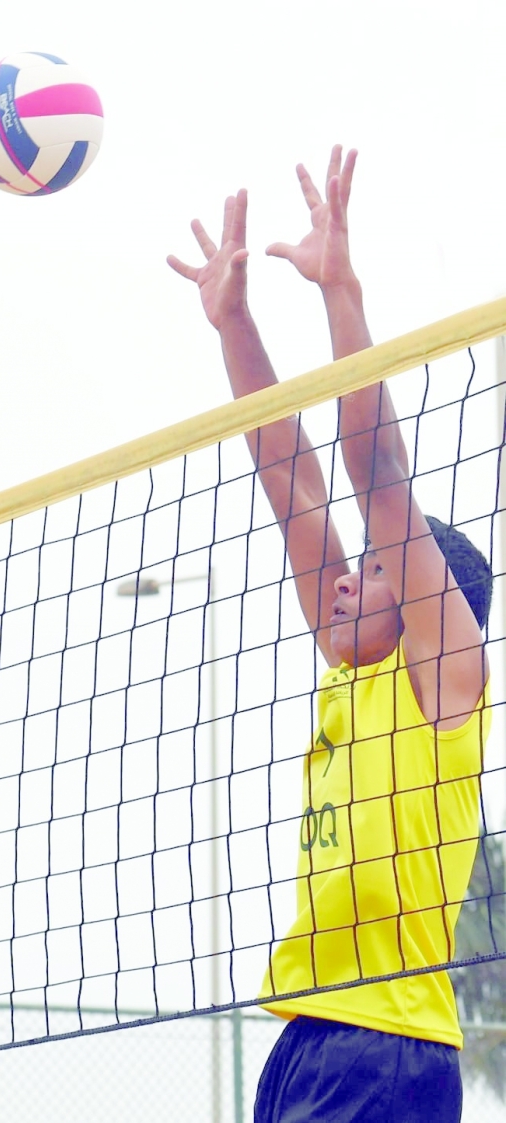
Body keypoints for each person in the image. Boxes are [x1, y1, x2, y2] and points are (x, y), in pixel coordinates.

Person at [167, 148, 492, 1122]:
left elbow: (375, 470)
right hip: (310, 1033)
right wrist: (234, 323)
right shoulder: (351, 670)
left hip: (388, 1041)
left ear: (432, 603)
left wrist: (340, 293)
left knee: (371, 481)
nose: (348, 576)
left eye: (378, 567)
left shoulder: (442, 677)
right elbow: (289, 476)